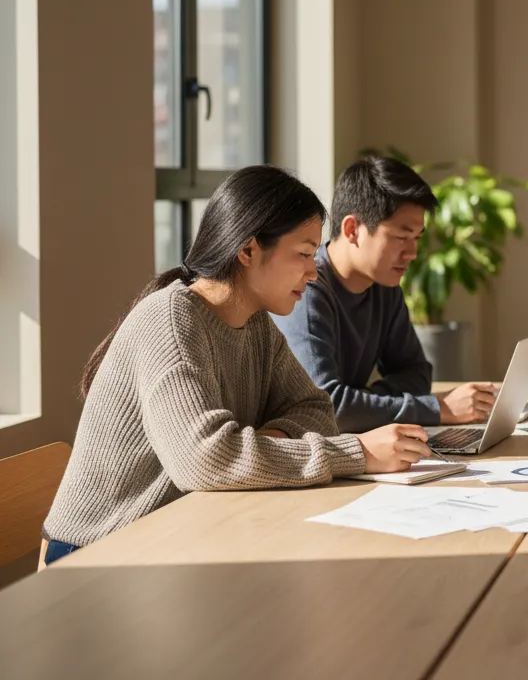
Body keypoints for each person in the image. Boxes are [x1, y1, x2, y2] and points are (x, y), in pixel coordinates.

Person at [41, 166, 430, 566]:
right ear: (247, 251)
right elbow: (206, 460)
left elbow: (316, 410)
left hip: (180, 536)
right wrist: (357, 452)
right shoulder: (171, 319)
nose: (314, 272)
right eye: (302, 254)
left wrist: (264, 441)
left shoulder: (257, 325)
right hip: (97, 552)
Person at [273, 157, 496, 433]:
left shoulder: (384, 286)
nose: (412, 253)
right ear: (352, 230)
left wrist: (364, 403)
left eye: (417, 238)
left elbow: (416, 374)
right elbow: (327, 408)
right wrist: (438, 409)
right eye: (401, 237)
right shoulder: (306, 290)